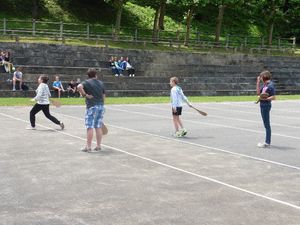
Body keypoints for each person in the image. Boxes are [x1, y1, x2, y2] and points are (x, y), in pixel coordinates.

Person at [77, 68, 106, 152]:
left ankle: (88, 147)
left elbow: (79, 86)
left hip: (91, 106)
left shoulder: (86, 82)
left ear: (88, 75)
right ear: (95, 75)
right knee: (98, 126)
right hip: (100, 106)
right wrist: (102, 105)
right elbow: (103, 95)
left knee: (89, 127)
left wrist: (85, 94)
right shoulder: (101, 83)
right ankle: (98, 146)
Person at [256, 70, 276, 148]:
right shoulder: (265, 85)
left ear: (264, 77)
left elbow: (274, 97)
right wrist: (257, 83)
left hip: (266, 105)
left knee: (267, 124)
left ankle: (267, 142)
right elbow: (258, 93)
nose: (260, 79)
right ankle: (267, 142)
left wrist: (265, 99)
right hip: (262, 105)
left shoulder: (270, 85)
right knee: (266, 124)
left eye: (261, 77)